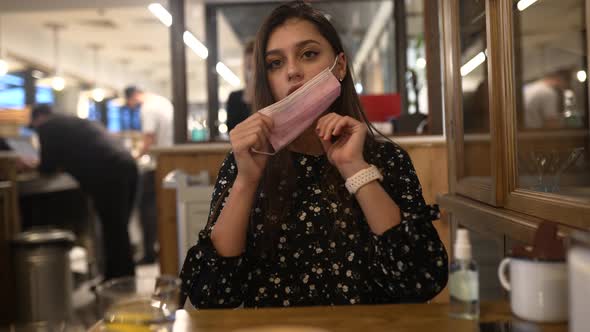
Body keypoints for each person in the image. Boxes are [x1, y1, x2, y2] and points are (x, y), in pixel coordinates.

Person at [180, 1, 448, 308]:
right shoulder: (245, 163)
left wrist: (354, 167)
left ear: (341, 65)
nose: (293, 72)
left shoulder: (387, 160)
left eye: (308, 54)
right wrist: (245, 182)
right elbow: (211, 296)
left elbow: (421, 280)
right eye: (275, 64)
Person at [26, 104, 137, 280]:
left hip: (108, 171)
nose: (35, 129)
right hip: (127, 164)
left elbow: (47, 166)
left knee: (113, 228)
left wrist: (30, 164)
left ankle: (117, 279)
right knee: (118, 227)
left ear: (38, 118)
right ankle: (123, 276)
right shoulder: (73, 121)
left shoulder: (47, 126)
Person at [124, 86, 174, 264]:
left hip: (156, 165)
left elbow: (148, 141)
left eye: (130, 104)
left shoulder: (148, 108)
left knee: (146, 211)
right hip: (168, 163)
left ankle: (148, 254)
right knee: (161, 208)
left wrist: (132, 157)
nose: (132, 107)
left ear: (133, 97)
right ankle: (161, 249)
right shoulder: (162, 102)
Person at [226, 39, 255, 132]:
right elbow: (231, 129)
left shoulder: (268, 96)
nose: (251, 73)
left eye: (254, 67)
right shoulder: (234, 97)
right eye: (249, 67)